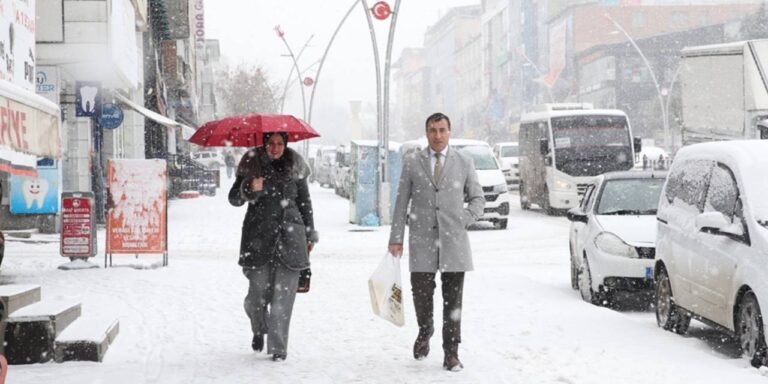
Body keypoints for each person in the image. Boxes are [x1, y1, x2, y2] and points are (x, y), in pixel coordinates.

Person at [388, 112, 484, 372]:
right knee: (421, 293)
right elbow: (400, 203)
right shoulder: (412, 162)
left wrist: (463, 218)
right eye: (433, 130)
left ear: (449, 132)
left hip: (454, 244)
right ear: (426, 132)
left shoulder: (464, 162)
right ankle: (425, 329)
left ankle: (451, 352)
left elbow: (478, 199)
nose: (438, 135)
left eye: (442, 130)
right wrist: (396, 238)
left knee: (453, 302)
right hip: (422, 241)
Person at [228, 132, 318, 362]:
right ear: (265, 143)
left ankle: (278, 349)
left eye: (280, 144)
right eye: (271, 143)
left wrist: (309, 234)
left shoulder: (295, 165)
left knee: (283, 299)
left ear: (285, 145)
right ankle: (259, 327)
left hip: (291, 237)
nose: (276, 148)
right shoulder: (251, 162)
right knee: (256, 298)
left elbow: (305, 203)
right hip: (258, 239)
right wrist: (249, 186)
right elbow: (234, 199)